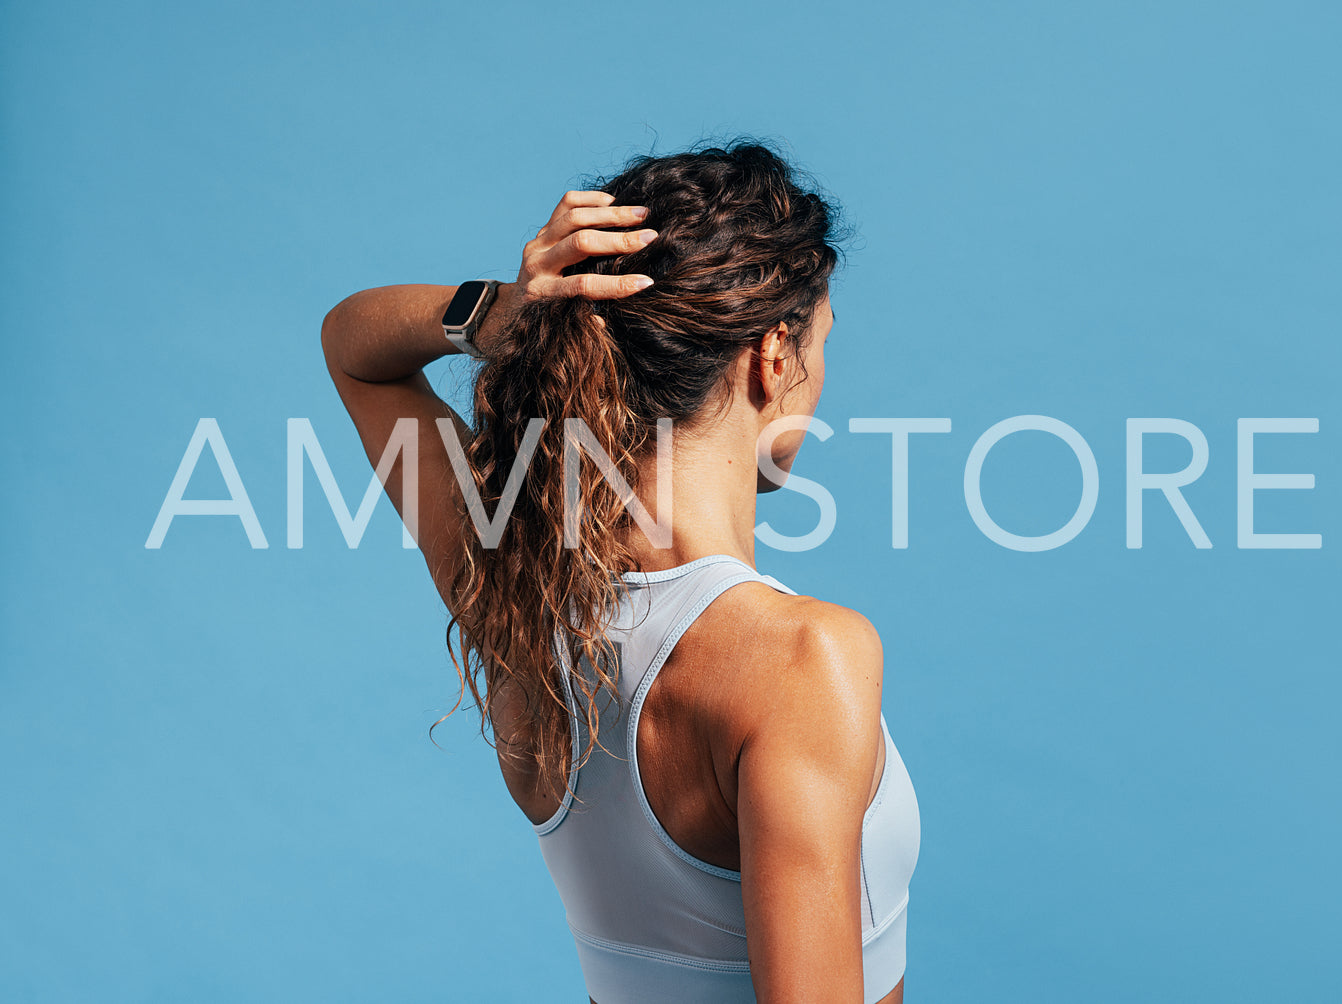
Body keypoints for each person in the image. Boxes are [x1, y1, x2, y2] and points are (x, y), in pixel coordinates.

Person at [320, 140, 921, 1003]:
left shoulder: (515, 591)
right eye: (822, 343)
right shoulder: (799, 659)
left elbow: (353, 345)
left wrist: (499, 316)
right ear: (773, 355)